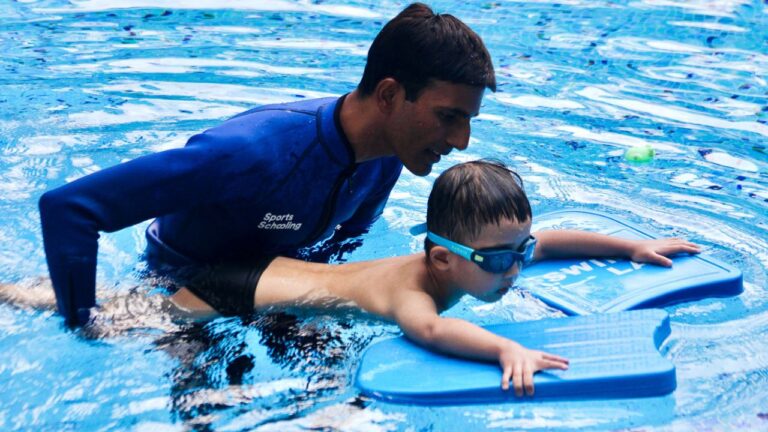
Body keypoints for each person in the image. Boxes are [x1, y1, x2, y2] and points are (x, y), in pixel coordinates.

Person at [38, 3, 497, 326]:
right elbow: (70, 207)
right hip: (181, 294)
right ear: (390, 95)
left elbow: (340, 249)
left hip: (273, 289)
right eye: (448, 117)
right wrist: (84, 323)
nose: (461, 142)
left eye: (467, 121)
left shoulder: (386, 160)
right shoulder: (251, 153)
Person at [169, 160, 702, 396]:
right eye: (500, 262)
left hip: (277, 285)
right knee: (190, 377)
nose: (515, 270)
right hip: (225, 292)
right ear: (444, 260)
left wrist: (633, 245)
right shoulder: (415, 291)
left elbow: (557, 238)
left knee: (317, 347)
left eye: (524, 252)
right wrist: (503, 351)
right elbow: (429, 331)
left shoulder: (483, 258)